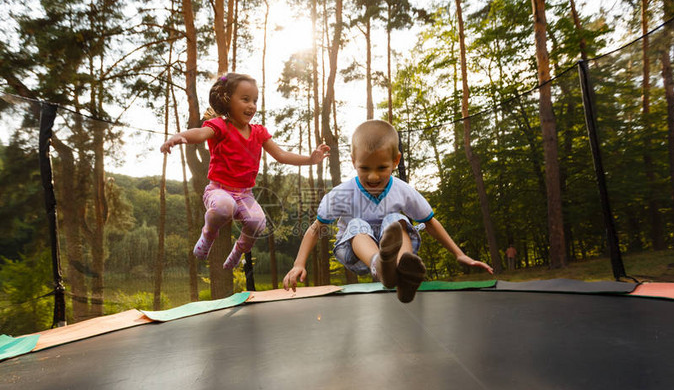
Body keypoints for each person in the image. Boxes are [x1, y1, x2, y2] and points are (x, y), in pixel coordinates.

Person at [283, 120, 492, 303]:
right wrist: (298, 264)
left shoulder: (403, 191)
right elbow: (316, 228)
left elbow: (431, 222)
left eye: (382, 168)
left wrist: (459, 254)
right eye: (365, 168)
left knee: (396, 220)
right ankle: (380, 265)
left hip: (393, 247)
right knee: (358, 224)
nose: (373, 177)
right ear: (354, 160)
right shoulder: (342, 193)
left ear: (395, 161)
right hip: (354, 252)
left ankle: (402, 272)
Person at [161, 73, 329, 270]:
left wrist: (310, 159)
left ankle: (238, 251)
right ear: (227, 99)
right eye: (245, 99)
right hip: (219, 190)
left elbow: (281, 155)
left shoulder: (258, 132)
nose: (251, 106)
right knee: (224, 207)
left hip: (245, 195)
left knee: (258, 223)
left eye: (255, 101)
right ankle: (207, 235)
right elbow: (199, 133)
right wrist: (180, 136)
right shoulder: (220, 126)